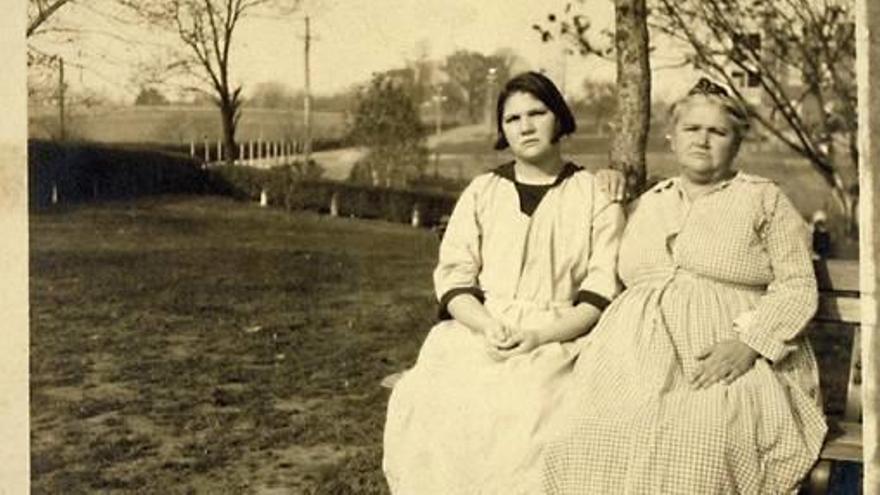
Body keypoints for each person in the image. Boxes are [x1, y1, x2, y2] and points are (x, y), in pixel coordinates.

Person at [541, 78, 827, 494]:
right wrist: (605, 183)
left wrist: (749, 344)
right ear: (672, 138)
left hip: (727, 358)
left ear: (737, 143)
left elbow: (797, 285)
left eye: (718, 132)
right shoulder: (649, 202)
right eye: (693, 129)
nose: (703, 140)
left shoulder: (762, 199)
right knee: (584, 437)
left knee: (698, 445)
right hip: (632, 362)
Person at [382, 71, 625, 494]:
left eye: (538, 113)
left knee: (531, 419)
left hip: (559, 336)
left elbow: (600, 290)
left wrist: (540, 335)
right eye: (513, 119)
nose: (526, 126)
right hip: (481, 328)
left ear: (560, 119)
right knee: (437, 407)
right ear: (502, 129)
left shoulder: (594, 194)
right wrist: (485, 325)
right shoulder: (483, 191)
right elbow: (454, 276)